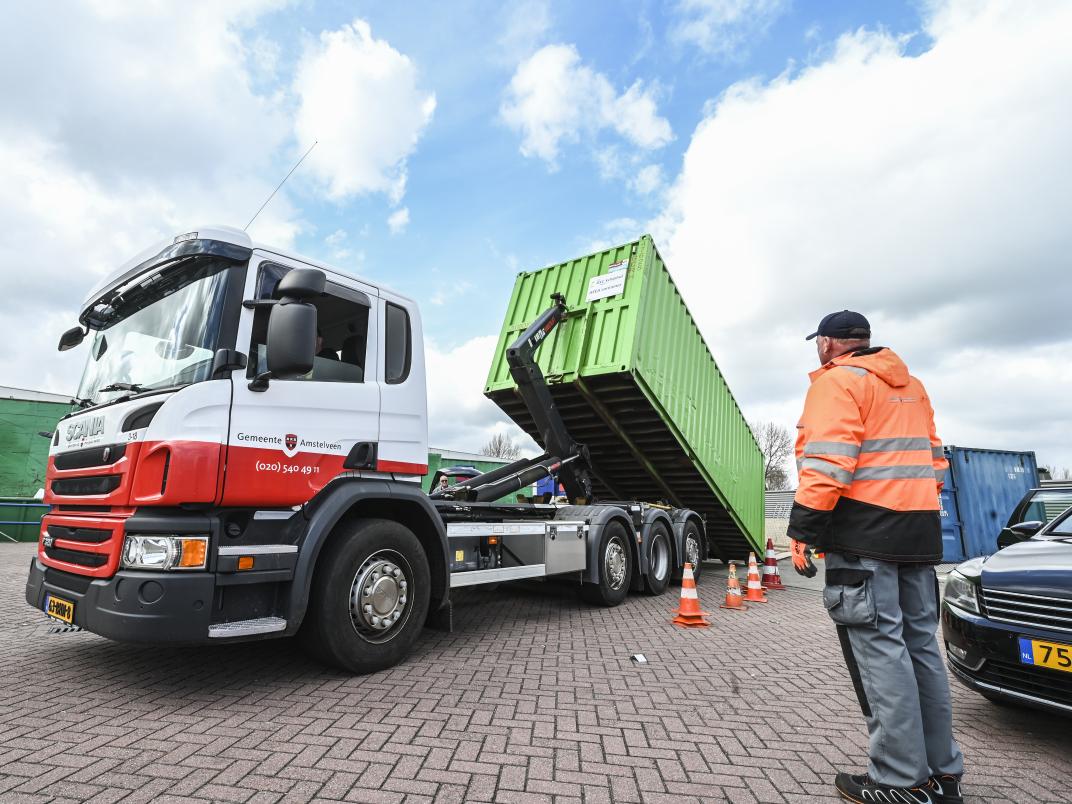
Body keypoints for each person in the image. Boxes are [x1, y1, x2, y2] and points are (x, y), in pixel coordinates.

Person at [788, 310, 964, 804]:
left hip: (865, 536)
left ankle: (900, 780)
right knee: (921, 650)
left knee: (882, 653)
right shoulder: (912, 385)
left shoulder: (836, 383)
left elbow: (827, 463)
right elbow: (934, 461)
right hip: (918, 533)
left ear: (826, 344)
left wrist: (802, 531)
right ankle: (942, 774)